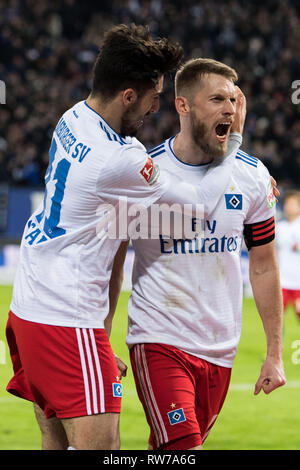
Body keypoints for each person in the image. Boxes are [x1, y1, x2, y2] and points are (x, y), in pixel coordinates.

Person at [5, 25, 246, 451]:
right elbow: (202, 204)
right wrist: (235, 138)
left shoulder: (73, 117)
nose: (157, 108)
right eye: (154, 96)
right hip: (66, 320)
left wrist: (101, 334)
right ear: (128, 95)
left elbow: (115, 239)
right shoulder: (121, 160)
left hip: (28, 308)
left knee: (56, 443)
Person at [123, 58, 286, 450]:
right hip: (158, 338)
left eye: (233, 98)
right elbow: (110, 260)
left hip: (220, 350)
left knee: (168, 450)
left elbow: (263, 266)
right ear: (183, 106)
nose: (230, 108)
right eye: (217, 99)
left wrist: (275, 353)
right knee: (184, 447)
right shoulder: (144, 172)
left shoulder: (252, 176)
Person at [276, 191, 300, 321]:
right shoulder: (279, 227)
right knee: (277, 317)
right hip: (282, 281)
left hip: (298, 281)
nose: (288, 207)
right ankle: (277, 342)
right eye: (287, 204)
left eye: (292, 204)